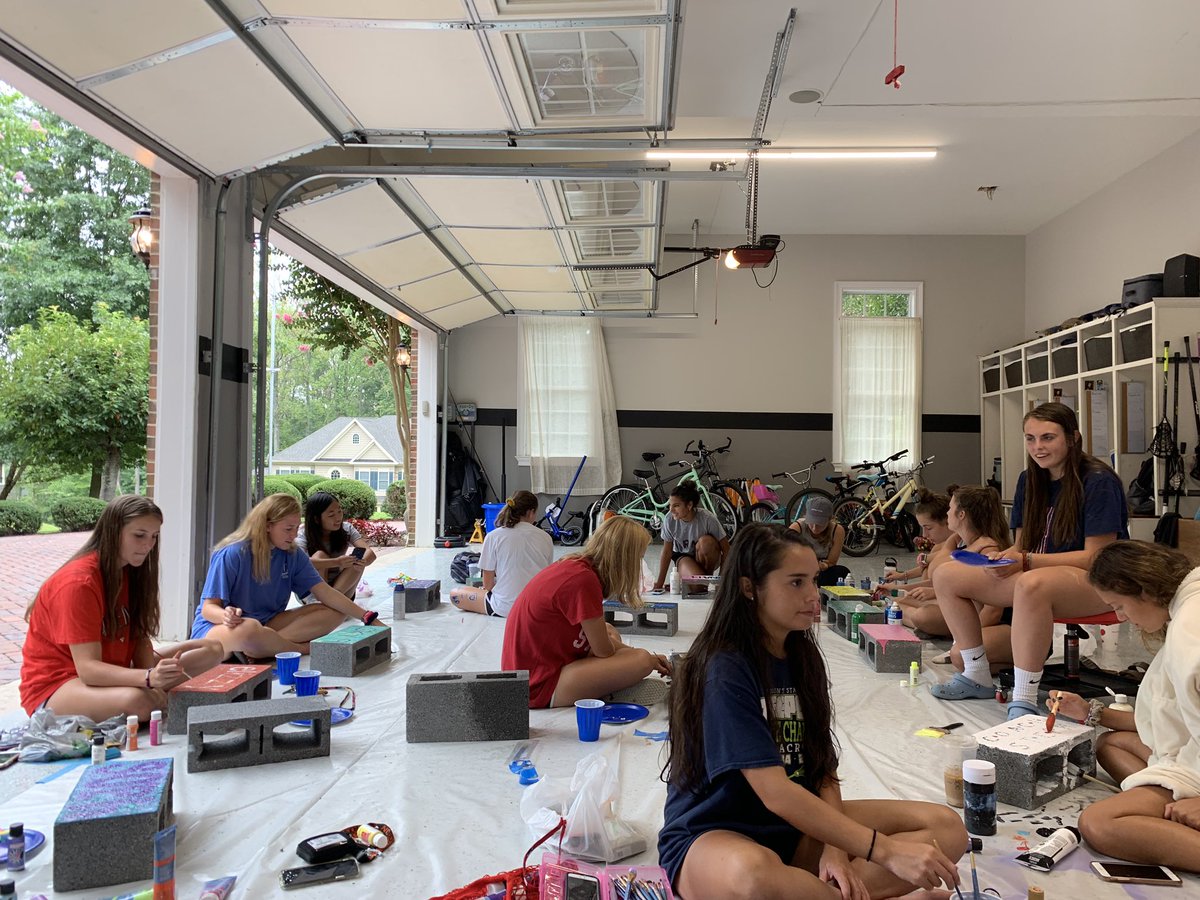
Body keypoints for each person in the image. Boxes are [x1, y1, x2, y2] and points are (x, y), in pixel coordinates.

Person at [659, 524, 967, 900]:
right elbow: (775, 793)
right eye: (796, 583)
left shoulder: (801, 656)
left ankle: (825, 892)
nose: (812, 596)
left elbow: (822, 767)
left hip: (793, 828)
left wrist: (834, 848)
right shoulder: (724, 668)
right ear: (748, 588)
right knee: (754, 878)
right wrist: (884, 851)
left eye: (813, 581)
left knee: (948, 829)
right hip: (715, 835)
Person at [930, 403, 1127, 718]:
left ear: (1073, 438)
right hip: (1038, 575)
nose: (1038, 447)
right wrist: (1003, 558)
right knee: (948, 575)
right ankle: (976, 673)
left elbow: (1097, 557)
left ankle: (1023, 696)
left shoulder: (1098, 481)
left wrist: (1026, 561)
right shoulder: (1029, 480)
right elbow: (1022, 546)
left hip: (1099, 583)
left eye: (1048, 438)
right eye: (1031, 438)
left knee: (1032, 583)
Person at [1048, 541, 1200, 874]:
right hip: (1189, 754)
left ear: (1143, 589)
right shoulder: (1188, 600)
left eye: (1119, 605)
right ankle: (1169, 808)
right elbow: (1171, 717)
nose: (1121, 618)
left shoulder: (1190, 634)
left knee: (1098, 823)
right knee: (1110, 743)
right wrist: (1090, 712)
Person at [20, 495, 224, 722]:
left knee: (212, 649)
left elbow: (139, 637)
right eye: (139, 535)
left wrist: (154, 681)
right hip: (60, 685)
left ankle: (152, 697)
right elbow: (88, 670)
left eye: (154, 536)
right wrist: (148, 679)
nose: (148, 545)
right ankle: (149, 699)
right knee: (138, 702)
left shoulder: (130, 571)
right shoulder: (79, 583)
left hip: (113, 670)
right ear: (113, 531)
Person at [502, 515, 671, 708]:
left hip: (531, 674)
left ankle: (606, 683)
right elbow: (603, 651)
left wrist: (635, 654)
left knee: (609, 631)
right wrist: (644, 658)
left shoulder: (576, 566)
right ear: (625, 558)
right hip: (538, 686)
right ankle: (605, 691)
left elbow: (601, 641)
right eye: (639, 557)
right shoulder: (584, 580)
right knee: (641, 661)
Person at [190, 494, 381, 659]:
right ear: (267, 526)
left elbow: (326, 593)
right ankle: (294, 649)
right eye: (288, 529)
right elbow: (208, 609)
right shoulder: (232, 553)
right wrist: (226, 615)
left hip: (269, 624)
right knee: (249, 629)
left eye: (296, 528)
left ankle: (263, 648)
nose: (293, 535)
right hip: (226, 628)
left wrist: (367, 617)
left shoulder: (293, 554)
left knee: (338, 610)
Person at [449, 491, 552, 616]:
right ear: (531, 512)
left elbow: (488, 585)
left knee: (455, 593)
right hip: (536, 608)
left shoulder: (493, 536)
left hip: (504, 608)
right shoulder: (546, 537)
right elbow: (545, 577)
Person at [295, 491, 376, 601]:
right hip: (312, 592)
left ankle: (330, 603)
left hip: (342, 588)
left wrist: (363, 562)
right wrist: (336, 562)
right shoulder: (303, 533)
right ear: (316, 519)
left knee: (356, 560)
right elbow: (297, 562)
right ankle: (329, 604)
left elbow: (369, 553)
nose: (338, 518)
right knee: (320, 555)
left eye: (339, 511)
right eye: (331, 515)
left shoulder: (346, 529)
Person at [654, 483, 729, 594]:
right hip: (684, 557)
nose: (671, 510)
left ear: (689, 505)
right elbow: (666, 552)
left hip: (706, 555)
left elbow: (726, 549)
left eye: (676, 506)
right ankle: (699, 581)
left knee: (705, 542)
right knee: (698, 587)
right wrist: (659, 583)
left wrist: (722, 580)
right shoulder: (669, 519)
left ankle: (706, 579)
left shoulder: (708, 518)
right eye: (670, 505)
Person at [787, 496, 848, 587]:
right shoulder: (797, 528)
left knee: (842, 572)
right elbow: (786, 557)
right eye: (811, 522)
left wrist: (824, 565)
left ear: (830, 520)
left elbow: (832, 562)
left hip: (821, 569)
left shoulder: (837, 531)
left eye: (820, 524)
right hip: (799, 567)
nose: (815, 528)